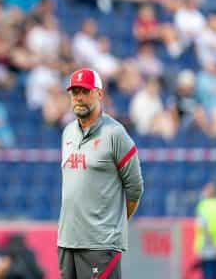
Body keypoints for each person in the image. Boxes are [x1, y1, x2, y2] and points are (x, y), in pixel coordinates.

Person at [58, 68, 144, 279]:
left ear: (99, 94)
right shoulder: (68, 132)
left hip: (100, 244)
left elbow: (135, 188)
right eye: (74, 92)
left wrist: (111, 224)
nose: (79, 97)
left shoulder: (115, 133)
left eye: (85, 92)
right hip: (67, 241)